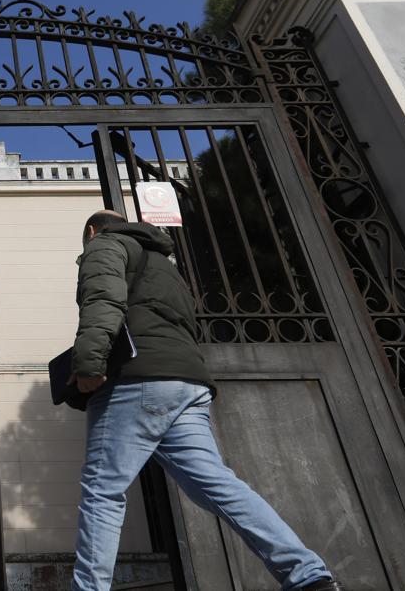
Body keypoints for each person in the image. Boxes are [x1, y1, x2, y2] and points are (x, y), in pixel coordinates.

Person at [69, 210, 342, 591]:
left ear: (92, 230)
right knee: (218, 486)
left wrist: (88, 363)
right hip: (187, 385)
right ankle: (307, 575)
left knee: (103, 491)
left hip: (137, 381)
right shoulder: (165, 265)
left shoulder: (105, 245)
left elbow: (103, 300)